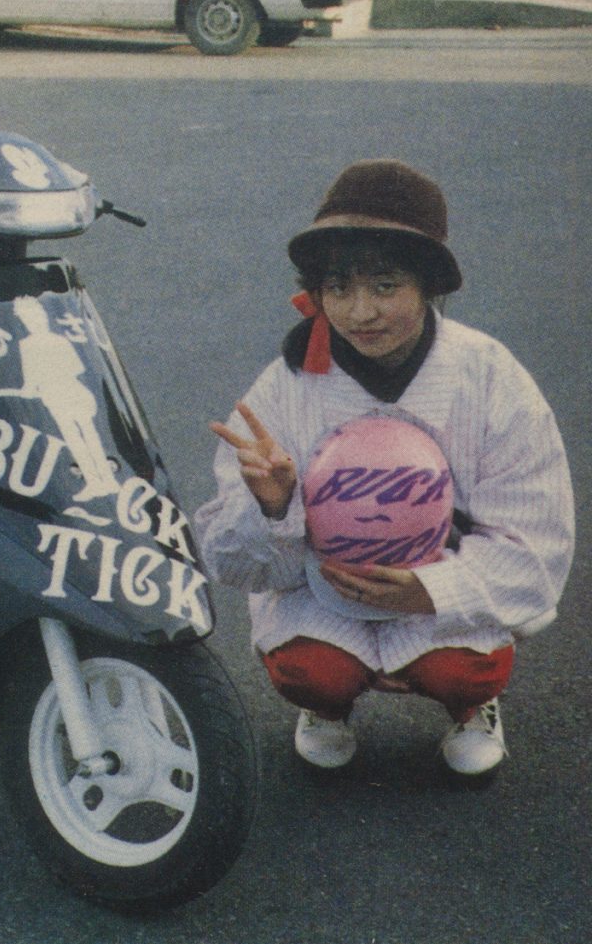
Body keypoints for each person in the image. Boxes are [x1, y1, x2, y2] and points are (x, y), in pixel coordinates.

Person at [193, 159, 575, 776]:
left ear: (429, 286)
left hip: (442, 574)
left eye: (386, 286)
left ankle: (472, 708)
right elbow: (241, 566)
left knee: (461, 669)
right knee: (310, 672)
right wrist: (272, 505)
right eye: (339, 288)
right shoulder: (288, 383)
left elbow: (537, 535)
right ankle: (327, 708)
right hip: (328, 583)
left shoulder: (487, 373)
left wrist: (432, 590)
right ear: (316, 294)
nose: (360, 312)